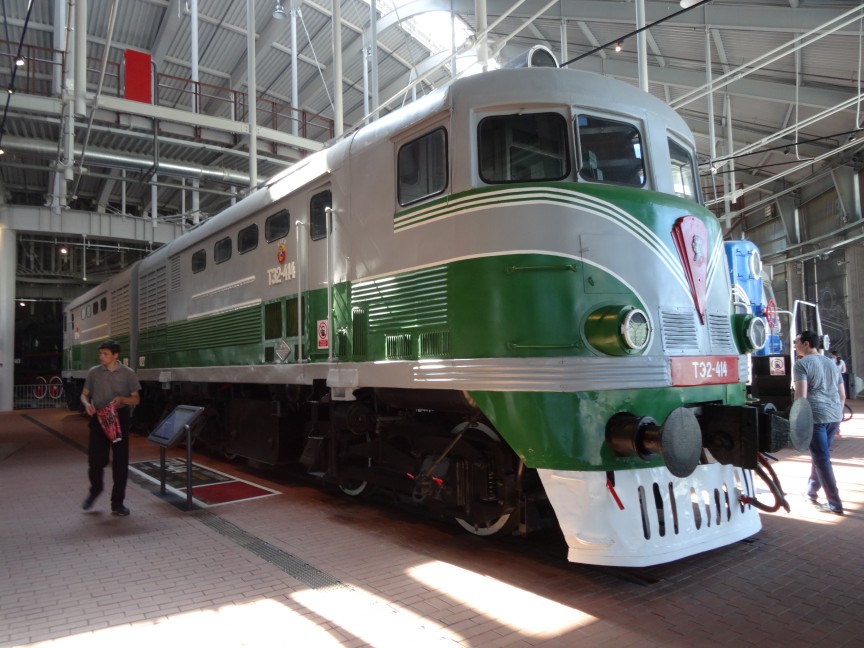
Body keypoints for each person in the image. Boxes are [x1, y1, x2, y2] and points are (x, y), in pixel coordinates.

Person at [80, 339, 141, 516]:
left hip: (119, 419)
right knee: (95, 461)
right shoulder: (93, 373)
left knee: (120, 462)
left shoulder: (128, 373)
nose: (102, 357)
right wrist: (87, 404)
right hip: (99, 418)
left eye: (105, 354)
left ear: (115, 355)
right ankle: (96, 489)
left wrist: (122, 399)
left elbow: (136, 399)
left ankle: (117, 503)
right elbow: (84, 395)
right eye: (101, 353)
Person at [793, 331, 846, 516]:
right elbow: (842, 394)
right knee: (820, 456)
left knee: (822, 459)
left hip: (816, 417)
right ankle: (811, 492)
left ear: (806, 344)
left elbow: (801, 396)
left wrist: (796, 418)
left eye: (796, 342)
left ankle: (835, 504)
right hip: (834, 415)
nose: (795, 346)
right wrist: (838, 415)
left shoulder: (802, 364)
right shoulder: (832, 363)